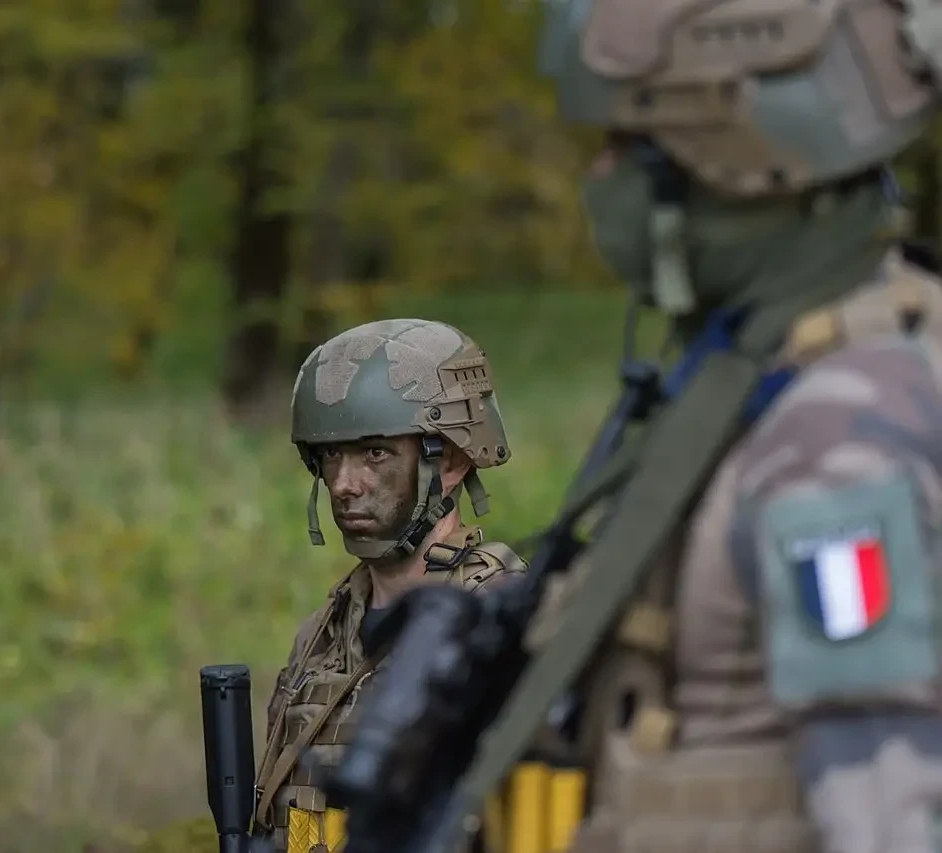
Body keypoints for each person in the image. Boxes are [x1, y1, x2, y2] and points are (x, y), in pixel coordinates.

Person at [488, 3, 942, 852]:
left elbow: (895, 816)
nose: (599, 176)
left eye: (627, 147)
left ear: (731, 161)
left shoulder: (837, 446)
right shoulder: (783, 362)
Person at [251, 318, 526, 851]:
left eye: (374, 453)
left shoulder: (496, 623)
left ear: (450, 460)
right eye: (332, 454)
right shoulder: (323, 632)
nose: (343, 484)